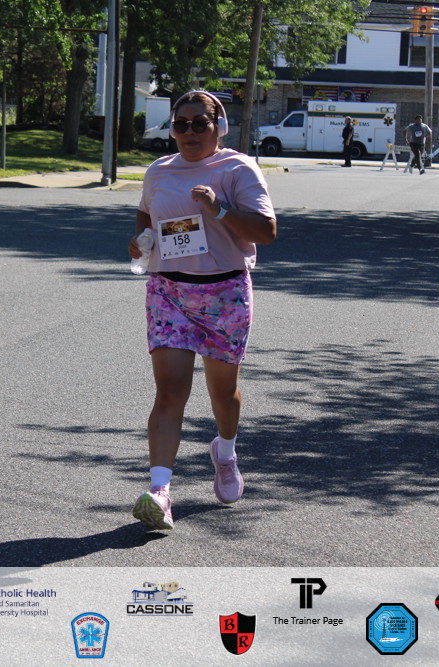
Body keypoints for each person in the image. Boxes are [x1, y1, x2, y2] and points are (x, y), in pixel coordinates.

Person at [127, 91, 278, 531]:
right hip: (169, 291)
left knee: (222, 394)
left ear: (219, 127)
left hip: (224, 293)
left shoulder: (237, 168)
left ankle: (225, 452)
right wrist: (142, 241)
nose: (189, 132)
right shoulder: (159, 170)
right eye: (181, 124)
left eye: (200, 124)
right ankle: (160, 492)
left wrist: (219, 209)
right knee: (170, 392)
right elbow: (146, 215)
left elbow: (267, 231)